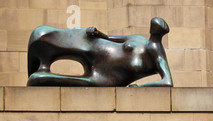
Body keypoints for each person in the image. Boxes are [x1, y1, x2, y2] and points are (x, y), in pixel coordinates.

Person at [27, 17, 173, 87]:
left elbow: (167, 82)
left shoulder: (157, 52)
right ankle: (42, 59)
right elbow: (110, 38)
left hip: (103, 77)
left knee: (37, 79)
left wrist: (140, 88)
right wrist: (98, 33)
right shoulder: (139, 39)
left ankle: (42, 74)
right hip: (96, 48)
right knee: (42, 33)